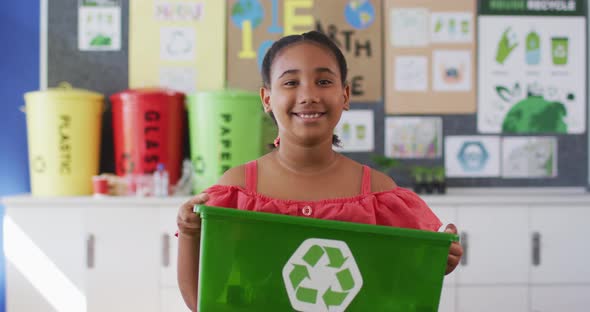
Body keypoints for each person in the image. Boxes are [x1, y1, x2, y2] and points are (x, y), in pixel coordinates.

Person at [177, 30, 463, 311]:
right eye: (290, 82)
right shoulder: (237, 189)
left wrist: (440, 259)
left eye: (324, 81)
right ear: (266, 99)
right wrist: (189, 233)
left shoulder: (379, 193)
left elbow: (401, 290)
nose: (308, 95)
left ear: (345, 94)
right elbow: (203, 301)